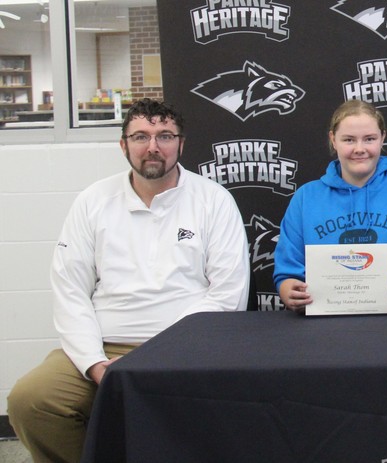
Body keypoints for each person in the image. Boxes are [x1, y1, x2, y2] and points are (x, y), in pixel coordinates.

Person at [6, 98, 250, 463]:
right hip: (105, 349)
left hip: (184, 351)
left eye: (165, 136)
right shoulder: (93, 201)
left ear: (181, 145)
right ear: (123, 145)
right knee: (30, 400)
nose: (153, 147)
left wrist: (157, 357)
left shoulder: (213, 201)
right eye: (141, 136)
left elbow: (228, 294)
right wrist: (94, 363)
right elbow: (70, 289)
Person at [274, 99, 387, 314]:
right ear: (333, 140)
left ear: (382, 138)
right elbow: (287, 272)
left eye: (369, 139)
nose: (359, 149)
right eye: (349, 140)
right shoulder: (306, 197)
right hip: (325, 326)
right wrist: (290, 293)